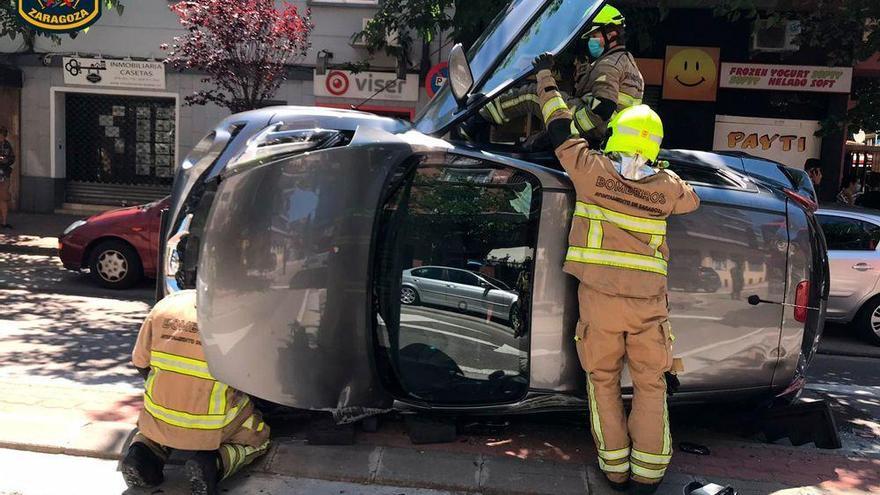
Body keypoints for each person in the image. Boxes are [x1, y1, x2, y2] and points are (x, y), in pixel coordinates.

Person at [532, 53, 700, 494]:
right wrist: (659, 171)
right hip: (648, 307)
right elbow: (692, 200)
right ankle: (649, 475)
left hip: (599, 302)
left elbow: (560, 128)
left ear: (616, 136)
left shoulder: (591, 171)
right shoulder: (667, 188)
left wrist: (547, 78)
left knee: (602, 382)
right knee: (650, 385)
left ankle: (614, 471)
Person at [121, 290, 270, 495]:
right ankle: (214, 463)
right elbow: (256, 380)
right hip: (213, 425)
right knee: (258, 436)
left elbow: (140, 363)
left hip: (161, 415)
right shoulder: (243, 317)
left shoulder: (166, 306)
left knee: (154, 429)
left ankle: (142, 452)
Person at [476, 5, 644, 147]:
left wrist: (566, 129)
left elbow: (603, 107)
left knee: (534, 94)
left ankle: (480, 118)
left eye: (594, 35)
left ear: (611, 34)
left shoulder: (609, 63)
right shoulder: (630, 65)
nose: (590, 41)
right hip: (607, 133)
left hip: (594, 129)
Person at [0, 126, 15, 229]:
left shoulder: (7, 145)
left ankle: (4, 222)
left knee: (3, 198)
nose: (2, 138)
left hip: (4, 173)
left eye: (3, 136)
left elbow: (12, 158)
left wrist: (6, 160)